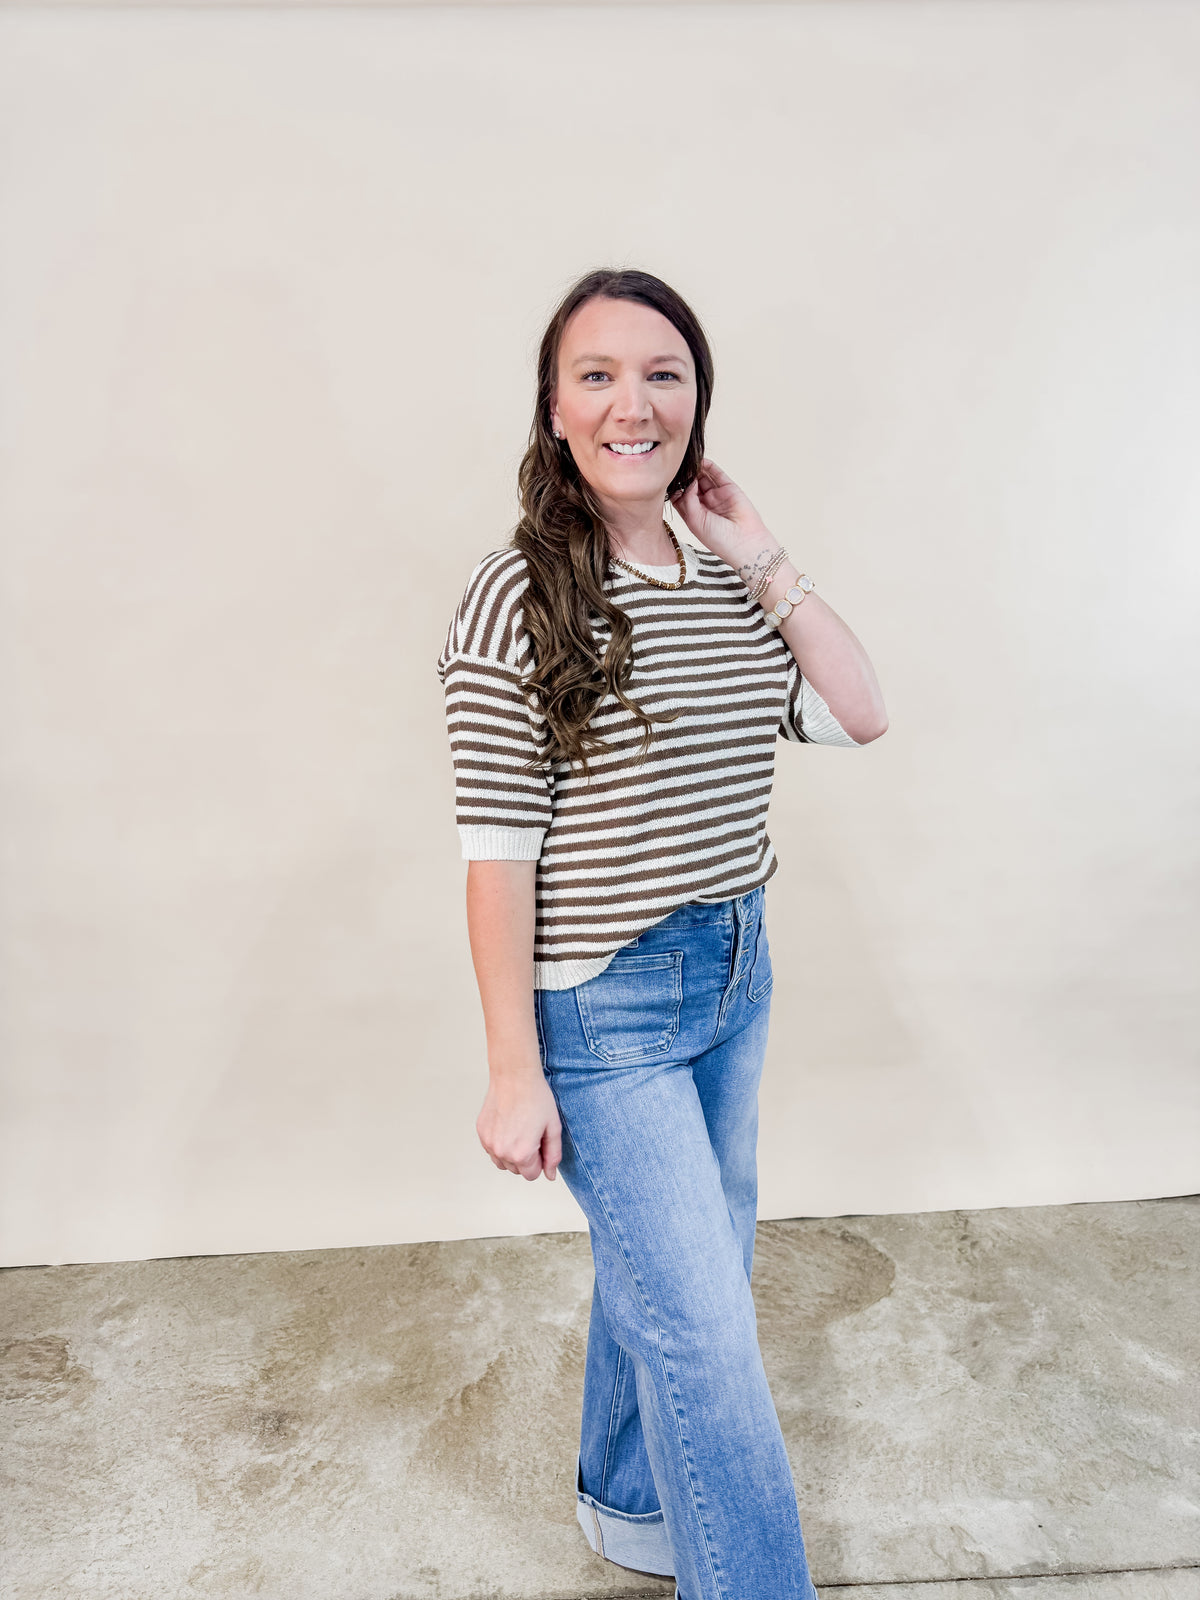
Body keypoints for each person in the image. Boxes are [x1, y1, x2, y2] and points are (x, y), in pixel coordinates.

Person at [436, 267, 888, 1600]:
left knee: (686, 1273)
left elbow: (860, 707)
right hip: (605, 1011)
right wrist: (513, 1070)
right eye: (598, 374)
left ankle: (629, 1508)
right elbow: (497, 860)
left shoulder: (715, 578)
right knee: (707, 1332)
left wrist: (763, 552)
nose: (632, 402)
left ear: (696, 404)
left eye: (663, 375)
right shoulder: (512, 599)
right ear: (554, 407)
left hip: (734, 972)